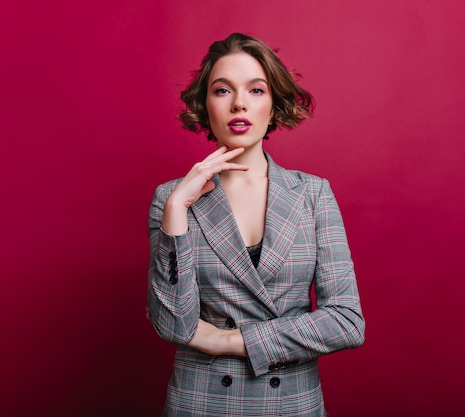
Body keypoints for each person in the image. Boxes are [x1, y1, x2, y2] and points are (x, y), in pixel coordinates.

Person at [147, 32, 365, 417]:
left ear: (274, 104)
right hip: (200, 403)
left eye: (256, 90)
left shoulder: (312, 194)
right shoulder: (171, 198)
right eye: (222, 91)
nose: (239, 104)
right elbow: (174, 326)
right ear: (205, 106)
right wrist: (178, 209)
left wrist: (228, 341)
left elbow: (346, 322)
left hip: (290, 404)